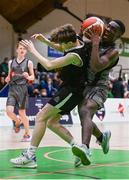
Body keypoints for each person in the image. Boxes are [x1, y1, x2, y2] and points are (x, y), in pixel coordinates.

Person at [10, 24, 90, 168]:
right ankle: (78, 148)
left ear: (70, 42)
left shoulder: (74, 56)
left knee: (41, 117)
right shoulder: (77, 39)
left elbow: (48, 65)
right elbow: (62, 48)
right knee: (52, 122)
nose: (60, 46)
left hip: (71, 91)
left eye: (62, 43)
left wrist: (33, 49)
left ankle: (30, 156)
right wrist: (45, 41)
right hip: (70, 89)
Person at [71, 19, 125, 166]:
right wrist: (81, 34)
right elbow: (76, 47)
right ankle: (101, 137)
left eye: (114, 30)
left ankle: (85, 149)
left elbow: (95, 67)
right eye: (109, 27)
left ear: (118, 36)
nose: (108, 30)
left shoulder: (113, 52)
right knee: (85, 118)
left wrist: (95, 43)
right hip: (84, 86)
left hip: (99, 88)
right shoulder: (93, 42)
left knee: (85, 110)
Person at [5, 42, 35, 141]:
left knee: (22, 113)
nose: (22, 50)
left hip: (22, 89)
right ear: (17, 50)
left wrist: (28, 76)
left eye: (24, 49)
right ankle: (17, 121)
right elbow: (9, 76)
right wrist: (7, 78)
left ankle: (27, 134)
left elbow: (33, 77)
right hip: (12, 89)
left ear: (26, 51)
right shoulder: (11, 62)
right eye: (20, 48)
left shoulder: (29, 62)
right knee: (9, 112)